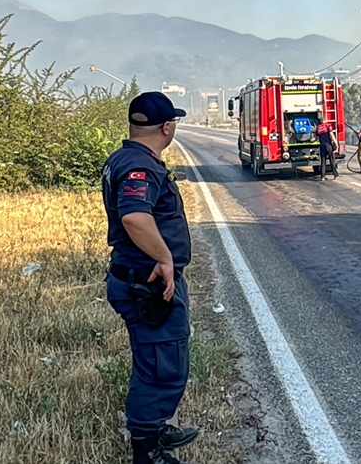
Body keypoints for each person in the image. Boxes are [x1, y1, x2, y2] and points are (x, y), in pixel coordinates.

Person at [102, 92, 199, 464]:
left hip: (140, 278)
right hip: (147, 283)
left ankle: (154, 427)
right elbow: (134, 217)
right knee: (161, 367)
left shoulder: (125, 158)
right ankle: (146, 449)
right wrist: (164, 257)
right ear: (167, 127)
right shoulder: (139, 166)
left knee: (155, 360)